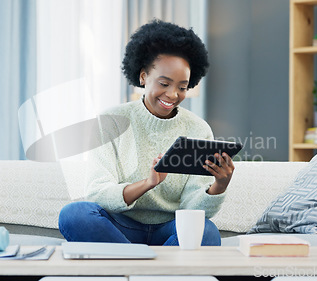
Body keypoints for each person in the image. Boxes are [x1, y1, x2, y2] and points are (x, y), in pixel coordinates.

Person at [58, 19, 235, 246]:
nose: (172, 94)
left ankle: (133, 266)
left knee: (206, 232)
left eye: (182, 87)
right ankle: (149, 267)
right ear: (143, 76)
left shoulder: (198, 130)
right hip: (121, 226)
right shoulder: (110, 121)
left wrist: (219, 186)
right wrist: (148, 183)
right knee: (74, 214)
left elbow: (193, 210)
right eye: (164, 83)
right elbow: (97, 193)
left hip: (170, 229)